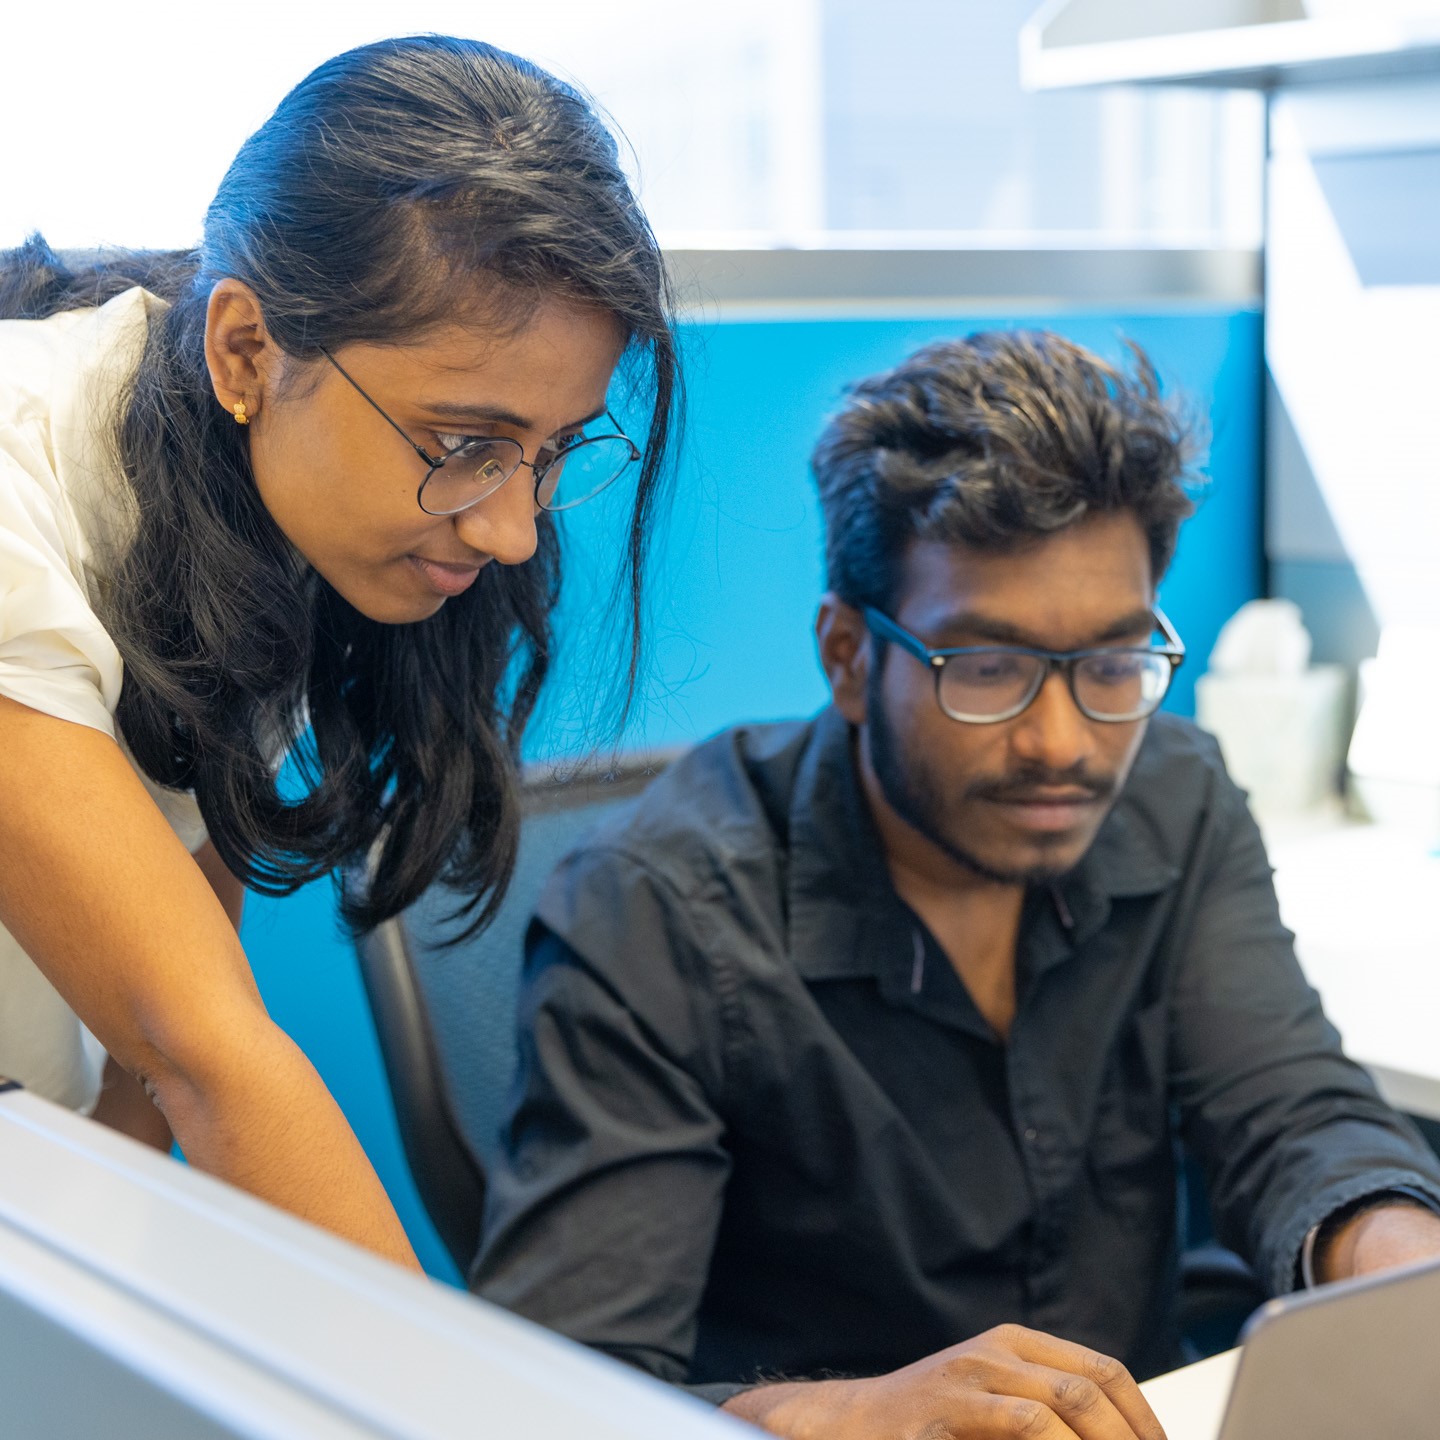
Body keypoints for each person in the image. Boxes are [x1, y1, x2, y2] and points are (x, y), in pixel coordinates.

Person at [472, 332, 1440, 1436]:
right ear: (848, 656)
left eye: (1115, 664)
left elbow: (1291, 1112)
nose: (1062, 743)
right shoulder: (659, 908)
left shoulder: (1173, 792)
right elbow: (558, 1392)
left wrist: (1402, 1266)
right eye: (986, 669)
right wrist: (854, 1415)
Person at [0, 35, 677, 1270]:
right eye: (462, 438)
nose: (513, 527)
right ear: (248, 350)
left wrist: (93, 1244)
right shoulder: (16, 473)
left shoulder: (247, 482)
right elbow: (198, 1048)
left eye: (552, 448)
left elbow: (175, 982)